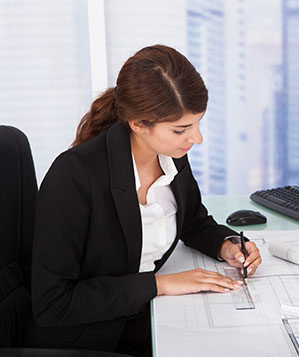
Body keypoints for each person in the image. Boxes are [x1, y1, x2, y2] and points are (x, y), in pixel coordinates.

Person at [22, 44, 262, 356]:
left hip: (149, 316)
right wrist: (158, 285)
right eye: (182, 129)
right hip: (91, 337)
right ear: (138, 124)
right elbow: (53, 303)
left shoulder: (172, 156)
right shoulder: (75, 176)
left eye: (198, 123)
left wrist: (226, 244)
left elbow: (192, 221)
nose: (197, 138)